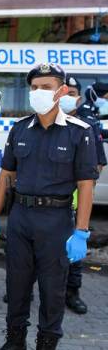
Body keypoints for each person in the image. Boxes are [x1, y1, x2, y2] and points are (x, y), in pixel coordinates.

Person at [0, 63, 98, 350]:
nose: (39, 92)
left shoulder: (79, 132)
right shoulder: (20, 129)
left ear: (62, 90)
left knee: (52, 290)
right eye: (34, 87)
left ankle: (46, 349)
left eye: (46, 86)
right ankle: (15, 342)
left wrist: (81, 232)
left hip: (56, 220)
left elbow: (85, 185)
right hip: (21, 217)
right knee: (16, 285)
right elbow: (6, 175)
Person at [59, 76, 106, 314]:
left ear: (79, 97)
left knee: (73, 253)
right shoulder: (48, 121)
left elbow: (98, 165)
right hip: (47, 202)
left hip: (75, 202)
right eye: (64, 91)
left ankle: (72, 292)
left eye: (72, 92)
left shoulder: (89, 124)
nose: (68, 96)